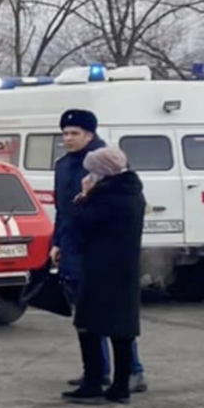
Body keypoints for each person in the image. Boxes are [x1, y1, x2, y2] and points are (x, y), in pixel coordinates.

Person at [52, 110, 146, 393]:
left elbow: (89, 211)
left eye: (75, 133)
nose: (68, 138)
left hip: (99, 253)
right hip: (75, 245)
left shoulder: (104, 163)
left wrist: (84, 199)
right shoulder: (64, 165)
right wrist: (58, 242)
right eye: (65, 133)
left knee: (111, 316)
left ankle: (131, 371)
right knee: (86, 314)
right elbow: (63, 209)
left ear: (90, 135)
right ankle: (96, 370)